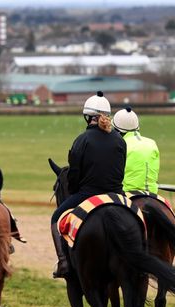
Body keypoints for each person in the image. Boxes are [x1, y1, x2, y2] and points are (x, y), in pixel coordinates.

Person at [50, 91, 126, 278]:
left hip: (88, 194)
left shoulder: (81, 140)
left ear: (87, 116)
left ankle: (63, 262)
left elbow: (74, 175)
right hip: (117, 195)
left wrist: (76, 191)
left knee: (56, 218)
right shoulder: (119, 140)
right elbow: (120, 171)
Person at [113, 107, 160, 194]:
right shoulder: (152, 143)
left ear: (117, 130)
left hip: (127, 193)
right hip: (152, 192)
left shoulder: (120, 145)